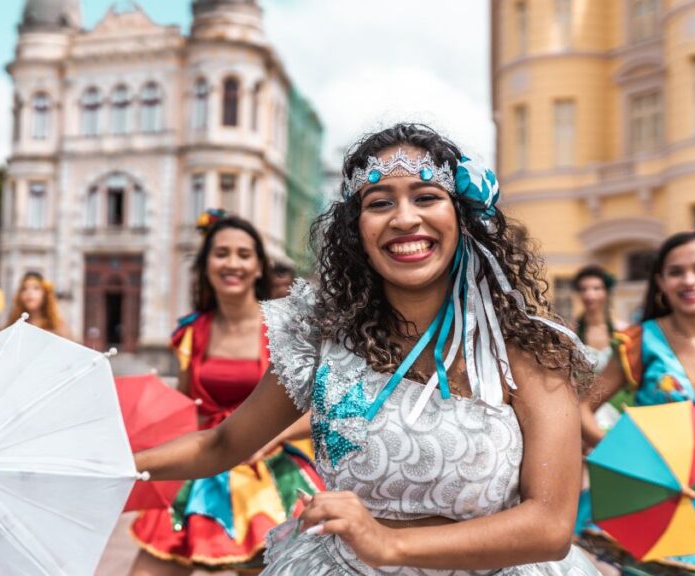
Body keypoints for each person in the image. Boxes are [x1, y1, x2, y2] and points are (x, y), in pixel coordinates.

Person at [134, 124, 600, 574]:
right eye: (380, 203)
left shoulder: (529, 349)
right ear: (356, 230)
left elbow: (550, 525)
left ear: (462, 218)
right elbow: (222, 443)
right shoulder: (319, 337)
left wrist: (388, 543)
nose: (404, 218)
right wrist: (115, 465)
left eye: (426, 197)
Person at [129, 209, 323, 575]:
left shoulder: (288, 327)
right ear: (205, 265)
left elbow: (325, 407)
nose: (232, 263)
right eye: (221, 253)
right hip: (203, 468)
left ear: (258, 267)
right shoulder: (190, 332)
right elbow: (188, 408)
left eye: (243, 254)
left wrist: (269, 435)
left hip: (269, 473)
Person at [580, 220, 695, 575]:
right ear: (662, 283)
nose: (689, 281)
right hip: (652, 503)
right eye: (675, 272)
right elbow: (580, 409)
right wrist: (624, 456)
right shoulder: (640, 341)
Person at [572, 266, 629, 433]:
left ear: (606, 292)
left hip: (619, 407)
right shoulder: (570, 332)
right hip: (583, 407)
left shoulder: (624, 331)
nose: (590, 295)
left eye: (596, 288)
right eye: (584, 289)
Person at [5, 272, 70, 338]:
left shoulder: (58, 327)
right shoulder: (13, 326)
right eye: (24, 289)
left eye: (36, 288)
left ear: (45, 294)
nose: (29, 292)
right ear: (19, 296)